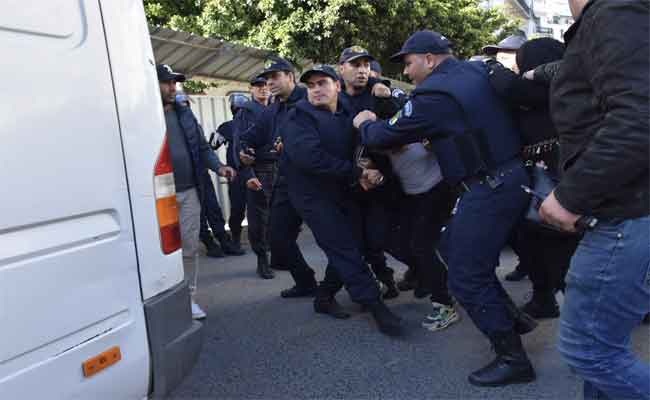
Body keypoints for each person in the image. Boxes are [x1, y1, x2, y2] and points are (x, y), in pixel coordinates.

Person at [353, 30, 535, 386]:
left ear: (430, 59)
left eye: (408, 63)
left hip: (489, 185)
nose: (406, 73)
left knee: (465, 276)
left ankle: (513, 359)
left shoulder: (433, 95)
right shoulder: (477, 71)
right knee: (452, 249)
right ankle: (513, 319)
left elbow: (384, 136)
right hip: (509, 176)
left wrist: (365, 124)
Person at [538, 0, 649, 398]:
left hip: (626, 215)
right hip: (626, 211)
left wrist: (571, 195)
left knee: (591, 352)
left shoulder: (616, 10)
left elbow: (640, 116)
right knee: (605, 354)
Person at [283, 64, 404, 336]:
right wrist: (358, 172)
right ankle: (375, 306)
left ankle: (324, 296)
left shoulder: (347, 113)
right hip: (313, 197)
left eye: (322, 83)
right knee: (344, 248)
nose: (316, 90)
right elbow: (310, 158)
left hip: (342, 189)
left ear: (337, 86)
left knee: (354, 244)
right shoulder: (298, 117)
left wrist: (367, 164)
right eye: (311, 85)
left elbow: (358, 145)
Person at [487, 37, 580, 319]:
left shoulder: (551, 88)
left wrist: (491, 67)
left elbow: (510, 87)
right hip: (545, 176)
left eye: (519, 60)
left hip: (558, 178)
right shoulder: (545, 87)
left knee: (561, 245)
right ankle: (545, 298)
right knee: (534, 240)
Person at [157, 64, 237, 319]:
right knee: (160, 251)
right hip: (156, 198)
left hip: (189, 191)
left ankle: (188, 299)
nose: (173, 87)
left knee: (189, 247)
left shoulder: (185, 114)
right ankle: (162, 301)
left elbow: (202, 148)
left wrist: (219, 167)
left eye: (174, 83)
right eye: (167, 83)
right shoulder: (140, 115)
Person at [239, 57, 319, 296]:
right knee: (278, 237)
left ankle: (358, 286)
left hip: (316, 179)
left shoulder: (311, 98)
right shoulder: (273, 109)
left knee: (332, 238)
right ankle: (306, 282)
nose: (270, 83)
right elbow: (250, 136)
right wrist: (245, 150)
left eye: (275, 77)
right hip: (286, 180)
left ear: (290, 77)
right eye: (267, 78)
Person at [337, 46, 402, 299]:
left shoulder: (379, 93)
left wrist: (386, 96)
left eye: (366, 64)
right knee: (354, 240)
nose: (362, 70)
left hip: (379, 180)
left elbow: (399, 123)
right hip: (347, 180)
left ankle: (408, 276)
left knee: (379, 237)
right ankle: (376, 283)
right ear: (341, 69)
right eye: (355, 65)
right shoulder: (334, 98)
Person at [229, 76, 275, 278]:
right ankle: (262, 259)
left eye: (266, 86)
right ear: (251, 90)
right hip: (259, 169)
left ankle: (278, 254)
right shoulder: (246, 112)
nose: (263, 89)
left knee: (278, 215)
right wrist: (248, 173)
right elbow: (240, 145)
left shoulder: (277, 108)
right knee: (259, 218)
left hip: (280, 167)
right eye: (258, 86)